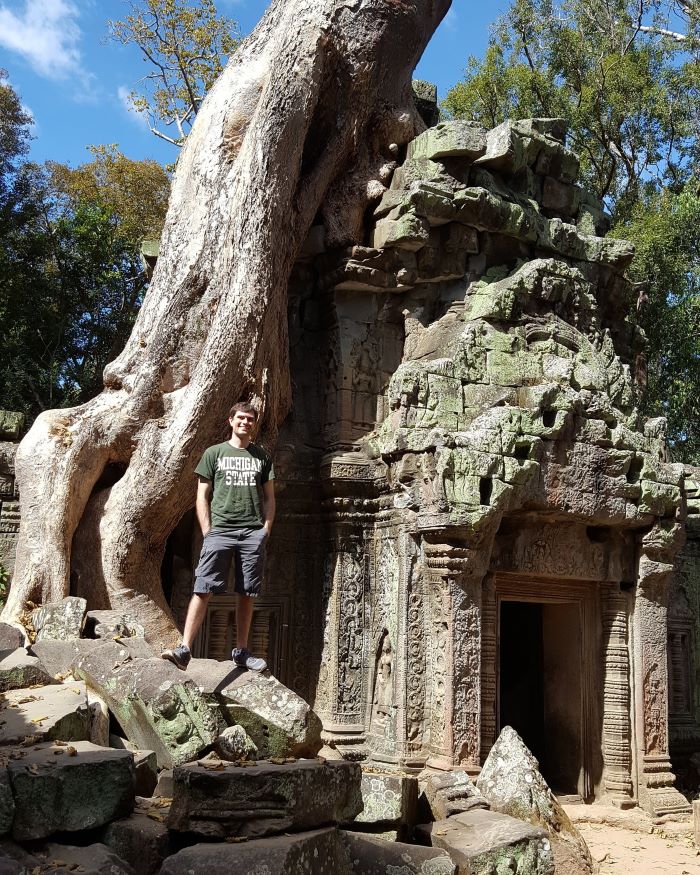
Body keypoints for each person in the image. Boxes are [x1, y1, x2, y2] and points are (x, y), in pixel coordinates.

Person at [161, 401, 275, 671]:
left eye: (250, 419)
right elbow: (201, 495)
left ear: (254, 424)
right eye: (241, 418)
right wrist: (207, 531)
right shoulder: (214, 454)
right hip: (220, 531)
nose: (245, 422)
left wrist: (265, 529)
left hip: (251, 532)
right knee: (203, 588)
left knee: (247, 591)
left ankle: (242, 651)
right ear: (231, 420)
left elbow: (270, 498)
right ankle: (185, 648)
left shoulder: (261, 457)